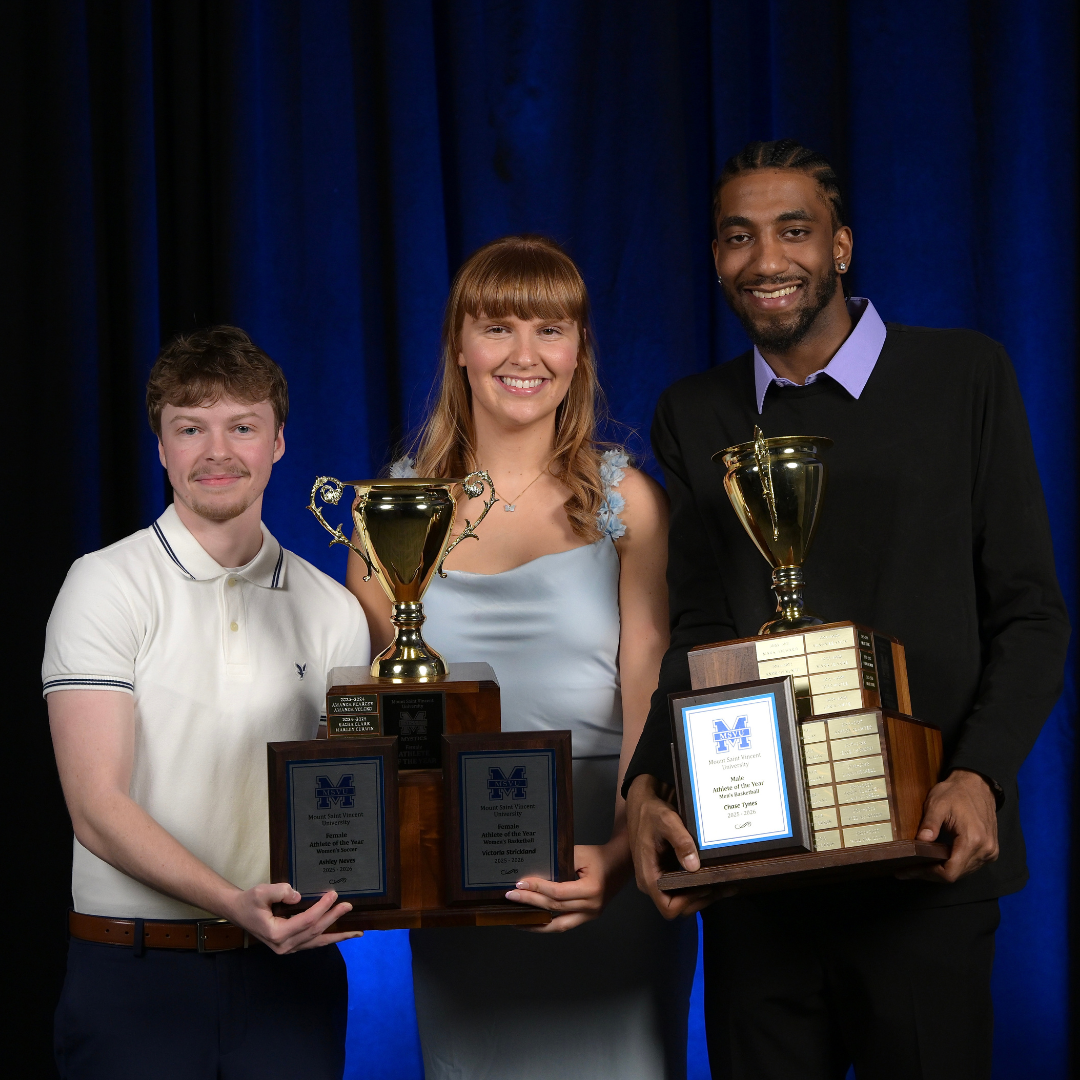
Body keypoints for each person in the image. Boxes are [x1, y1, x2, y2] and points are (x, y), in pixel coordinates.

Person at [623, 140, 1070, 1080]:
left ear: (842, 247)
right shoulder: (693, 413)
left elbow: (1031, 614)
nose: (767, 260)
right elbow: (696, 628)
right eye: (738, 237)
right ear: (715, 259)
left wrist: (980, 774)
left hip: (926, 859)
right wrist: (646, 786)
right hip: (757, 874)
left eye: (795, 230)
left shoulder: (964, 377)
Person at [348, 235, 698, 1079]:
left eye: (552, 329)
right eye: (498, 327)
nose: (525, 354)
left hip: (607, 837)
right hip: (461, 866)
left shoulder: (630, 503)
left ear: (579, 353)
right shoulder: (390, 508)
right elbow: (370, 708)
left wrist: (620, 853)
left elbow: (649, 685)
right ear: (460, 348)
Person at [45, 327, 370, 1079]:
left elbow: (346, 797)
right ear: (161, 448)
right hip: (134, 975)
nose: (216, 452)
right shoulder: (104, 584)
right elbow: (95, 806)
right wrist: (233, 901)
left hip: (289, 975)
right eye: (190, 428)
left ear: (279, 443)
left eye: (242, 427)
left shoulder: (333, 611)